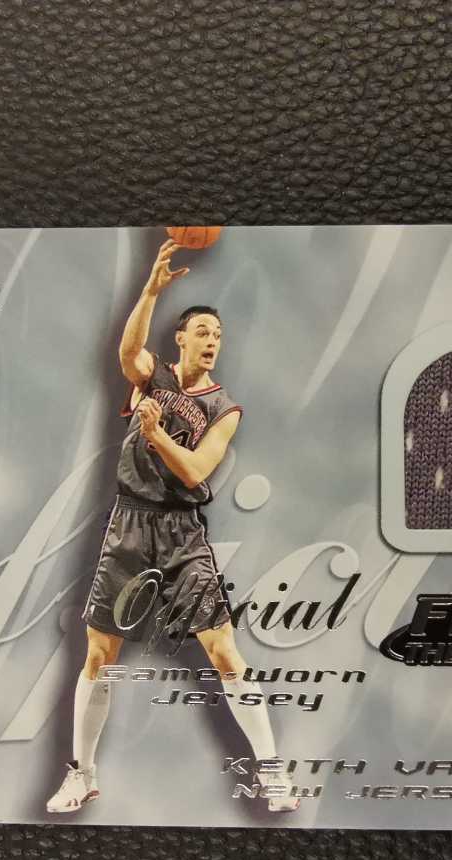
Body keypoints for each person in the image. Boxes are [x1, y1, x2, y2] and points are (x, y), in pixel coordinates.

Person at [46, 238, 298, 814]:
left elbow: (195, 471)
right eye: (203, 331)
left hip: (181, 532)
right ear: (180, 339)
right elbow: (128, 350)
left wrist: (156, 433)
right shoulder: (152, 377)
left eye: (218, 335)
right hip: (129, 525)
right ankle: (81, 775)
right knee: (98, 655)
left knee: (224, 653)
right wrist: (152, 290)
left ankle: (272, 773)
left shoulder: (225, 408)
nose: (212, 341)